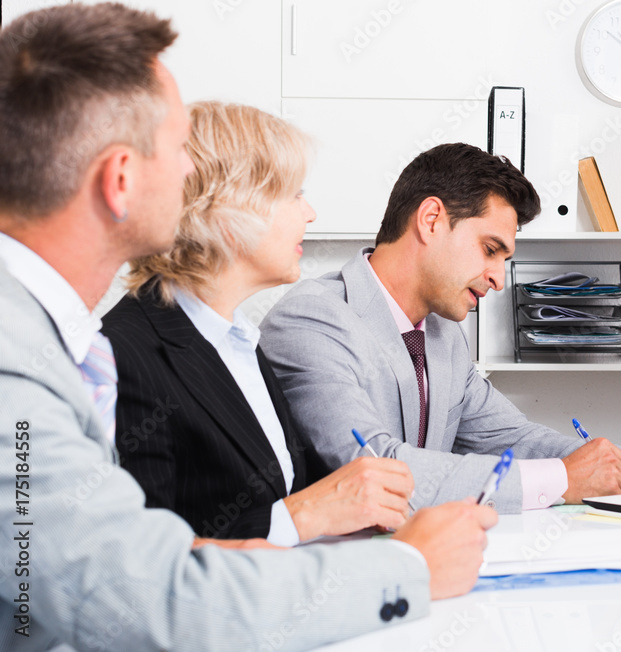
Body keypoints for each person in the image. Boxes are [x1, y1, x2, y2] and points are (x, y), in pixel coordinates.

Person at [0, 4, 494, 649]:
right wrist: (409, 570)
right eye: (179, 149)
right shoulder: (19, 361)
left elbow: (74, 573)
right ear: (121, 180)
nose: (191, 173)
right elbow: (149, 599)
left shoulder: (44, 337)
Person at [259, 142, 621, 514]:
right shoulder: (314, 320)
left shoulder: (442, 336)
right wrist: (564, 479)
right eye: (490, 249)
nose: (499, 279)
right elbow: (376, 467)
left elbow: (512, 437)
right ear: (432, 219)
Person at [102, 100, 417, 545]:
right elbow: (142, 559)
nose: (310, 214)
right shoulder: (124, 356)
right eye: (294, 194)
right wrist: (305, 514)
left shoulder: (239, 341)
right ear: (226, 207)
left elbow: (277, 495)